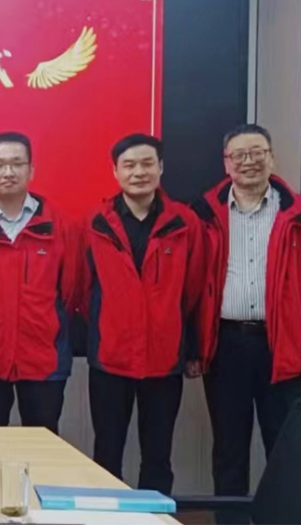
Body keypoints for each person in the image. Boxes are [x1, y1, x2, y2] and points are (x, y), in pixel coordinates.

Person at [192, 123, 301, 501]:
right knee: (229, 450)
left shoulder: (300, 214)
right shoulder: (204, 214)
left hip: (283, 346)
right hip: (226, 346)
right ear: (226, 163)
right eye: (239, 155)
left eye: (257, 152)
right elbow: (191, 284)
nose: (248, 161)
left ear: (271, 157)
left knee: (286, 449)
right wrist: (194, 347)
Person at [80, 134, 205, 495]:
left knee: (158, 454)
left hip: (164, 359)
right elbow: (80, 287)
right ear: (115, 172)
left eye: (147, 163)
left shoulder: (184, 222)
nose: (139, 172)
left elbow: (195, 288)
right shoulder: (95, 223)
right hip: (110, 357)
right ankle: (106, 518)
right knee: (107, 451)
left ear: (161, 167)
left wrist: (185, 340)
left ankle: (153, 517)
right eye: (129, 165)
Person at [0, 133, 80, 433]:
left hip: (44, 361)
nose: (8, 172)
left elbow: (72, 291)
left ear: (31, 170)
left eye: (17, 163)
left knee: (43, 444)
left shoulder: (61, 228)